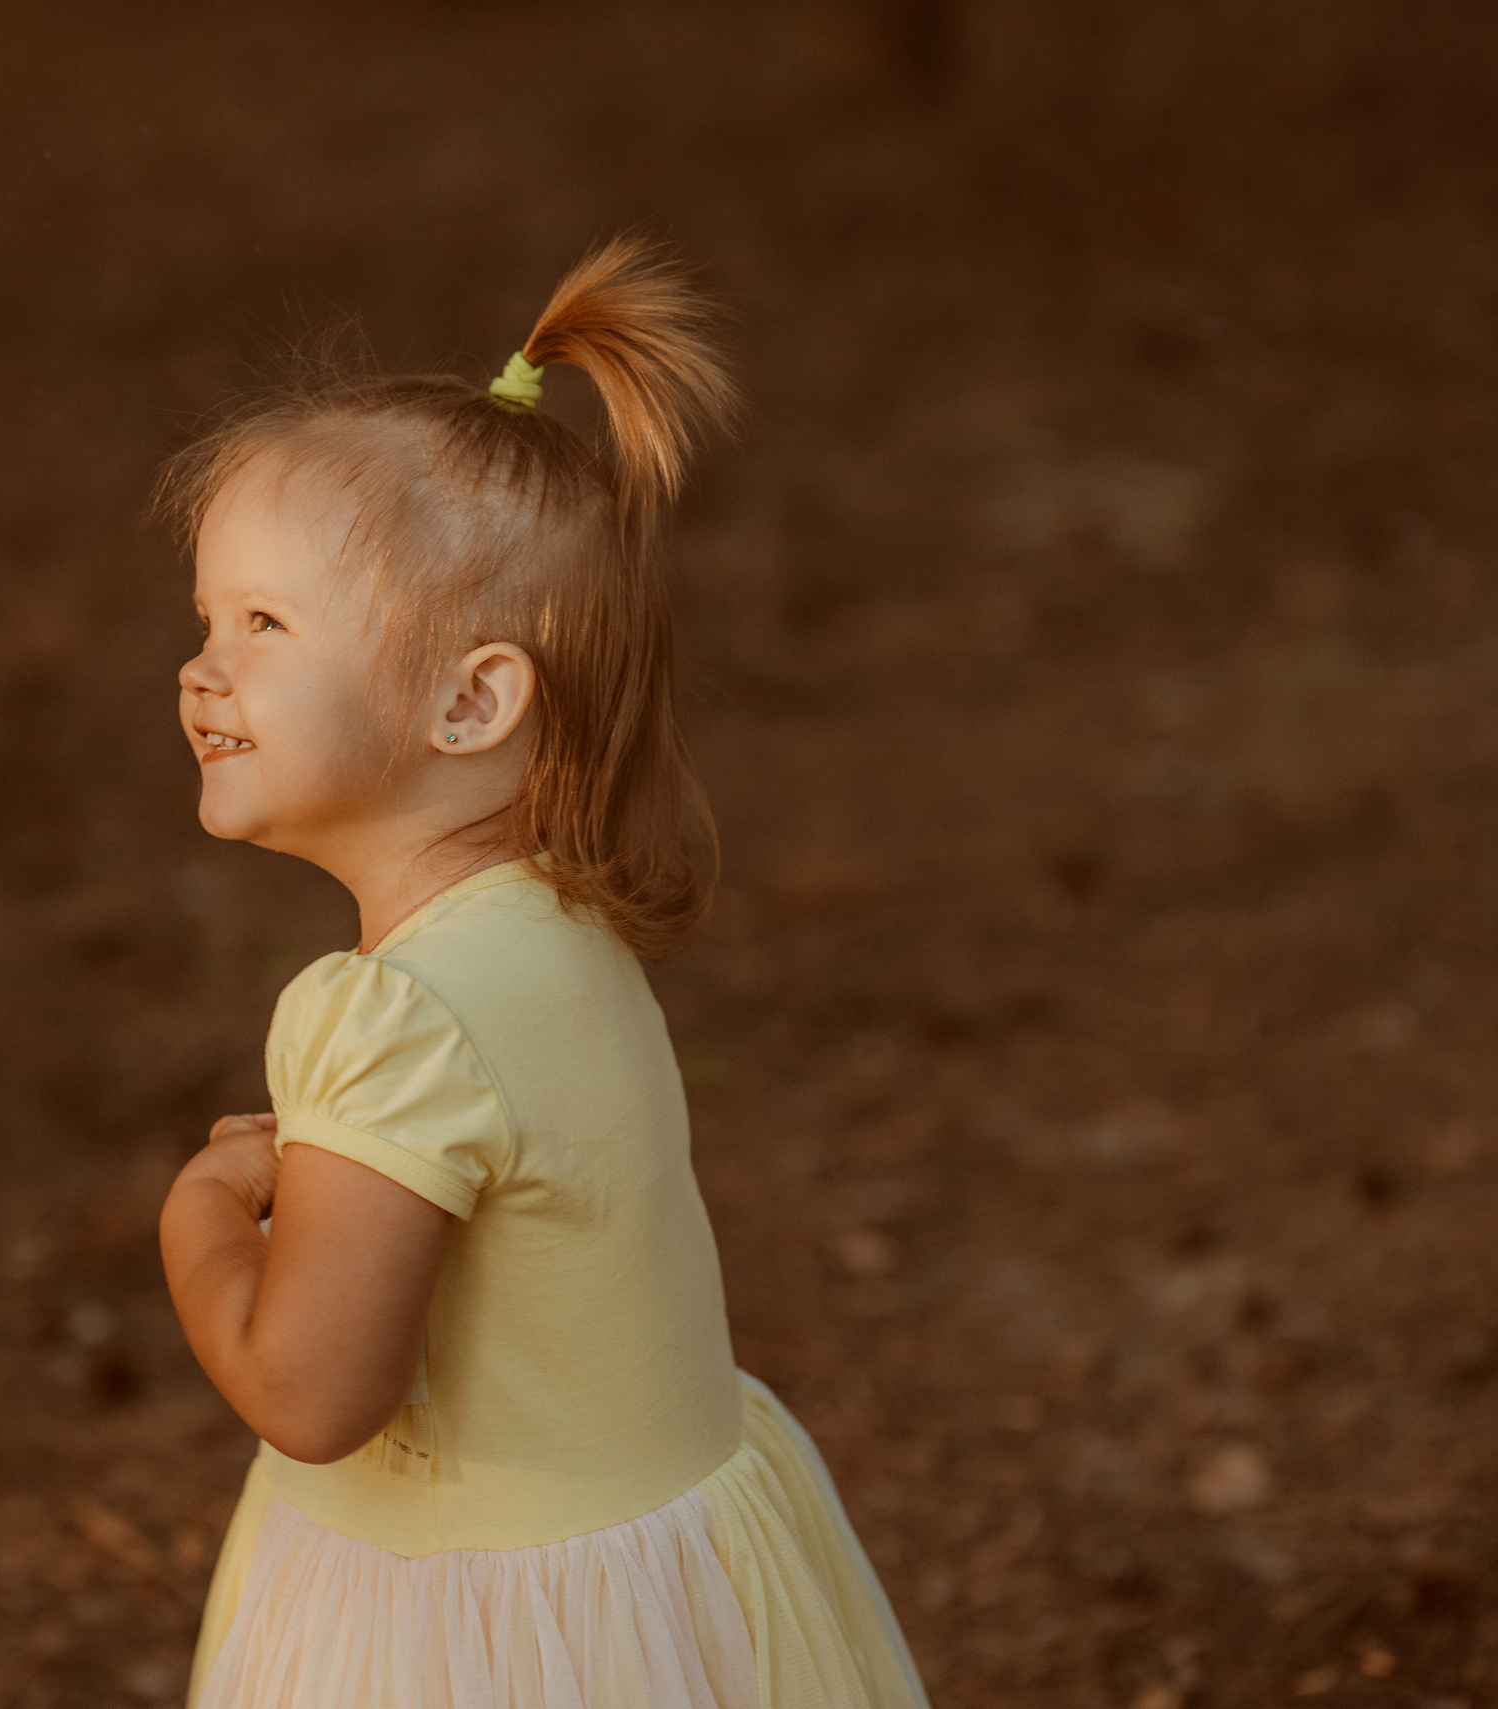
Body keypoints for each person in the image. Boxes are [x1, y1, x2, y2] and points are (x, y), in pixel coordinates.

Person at [154, 239, 931, 1709]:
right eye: (205, 620)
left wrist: (202, 1212)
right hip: (662, 1594)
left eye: (262, 625)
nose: (202, 668)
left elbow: (310, 1391)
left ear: (470, 699)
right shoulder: (565, 938)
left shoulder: (388, 1019)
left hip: (483, 1646)